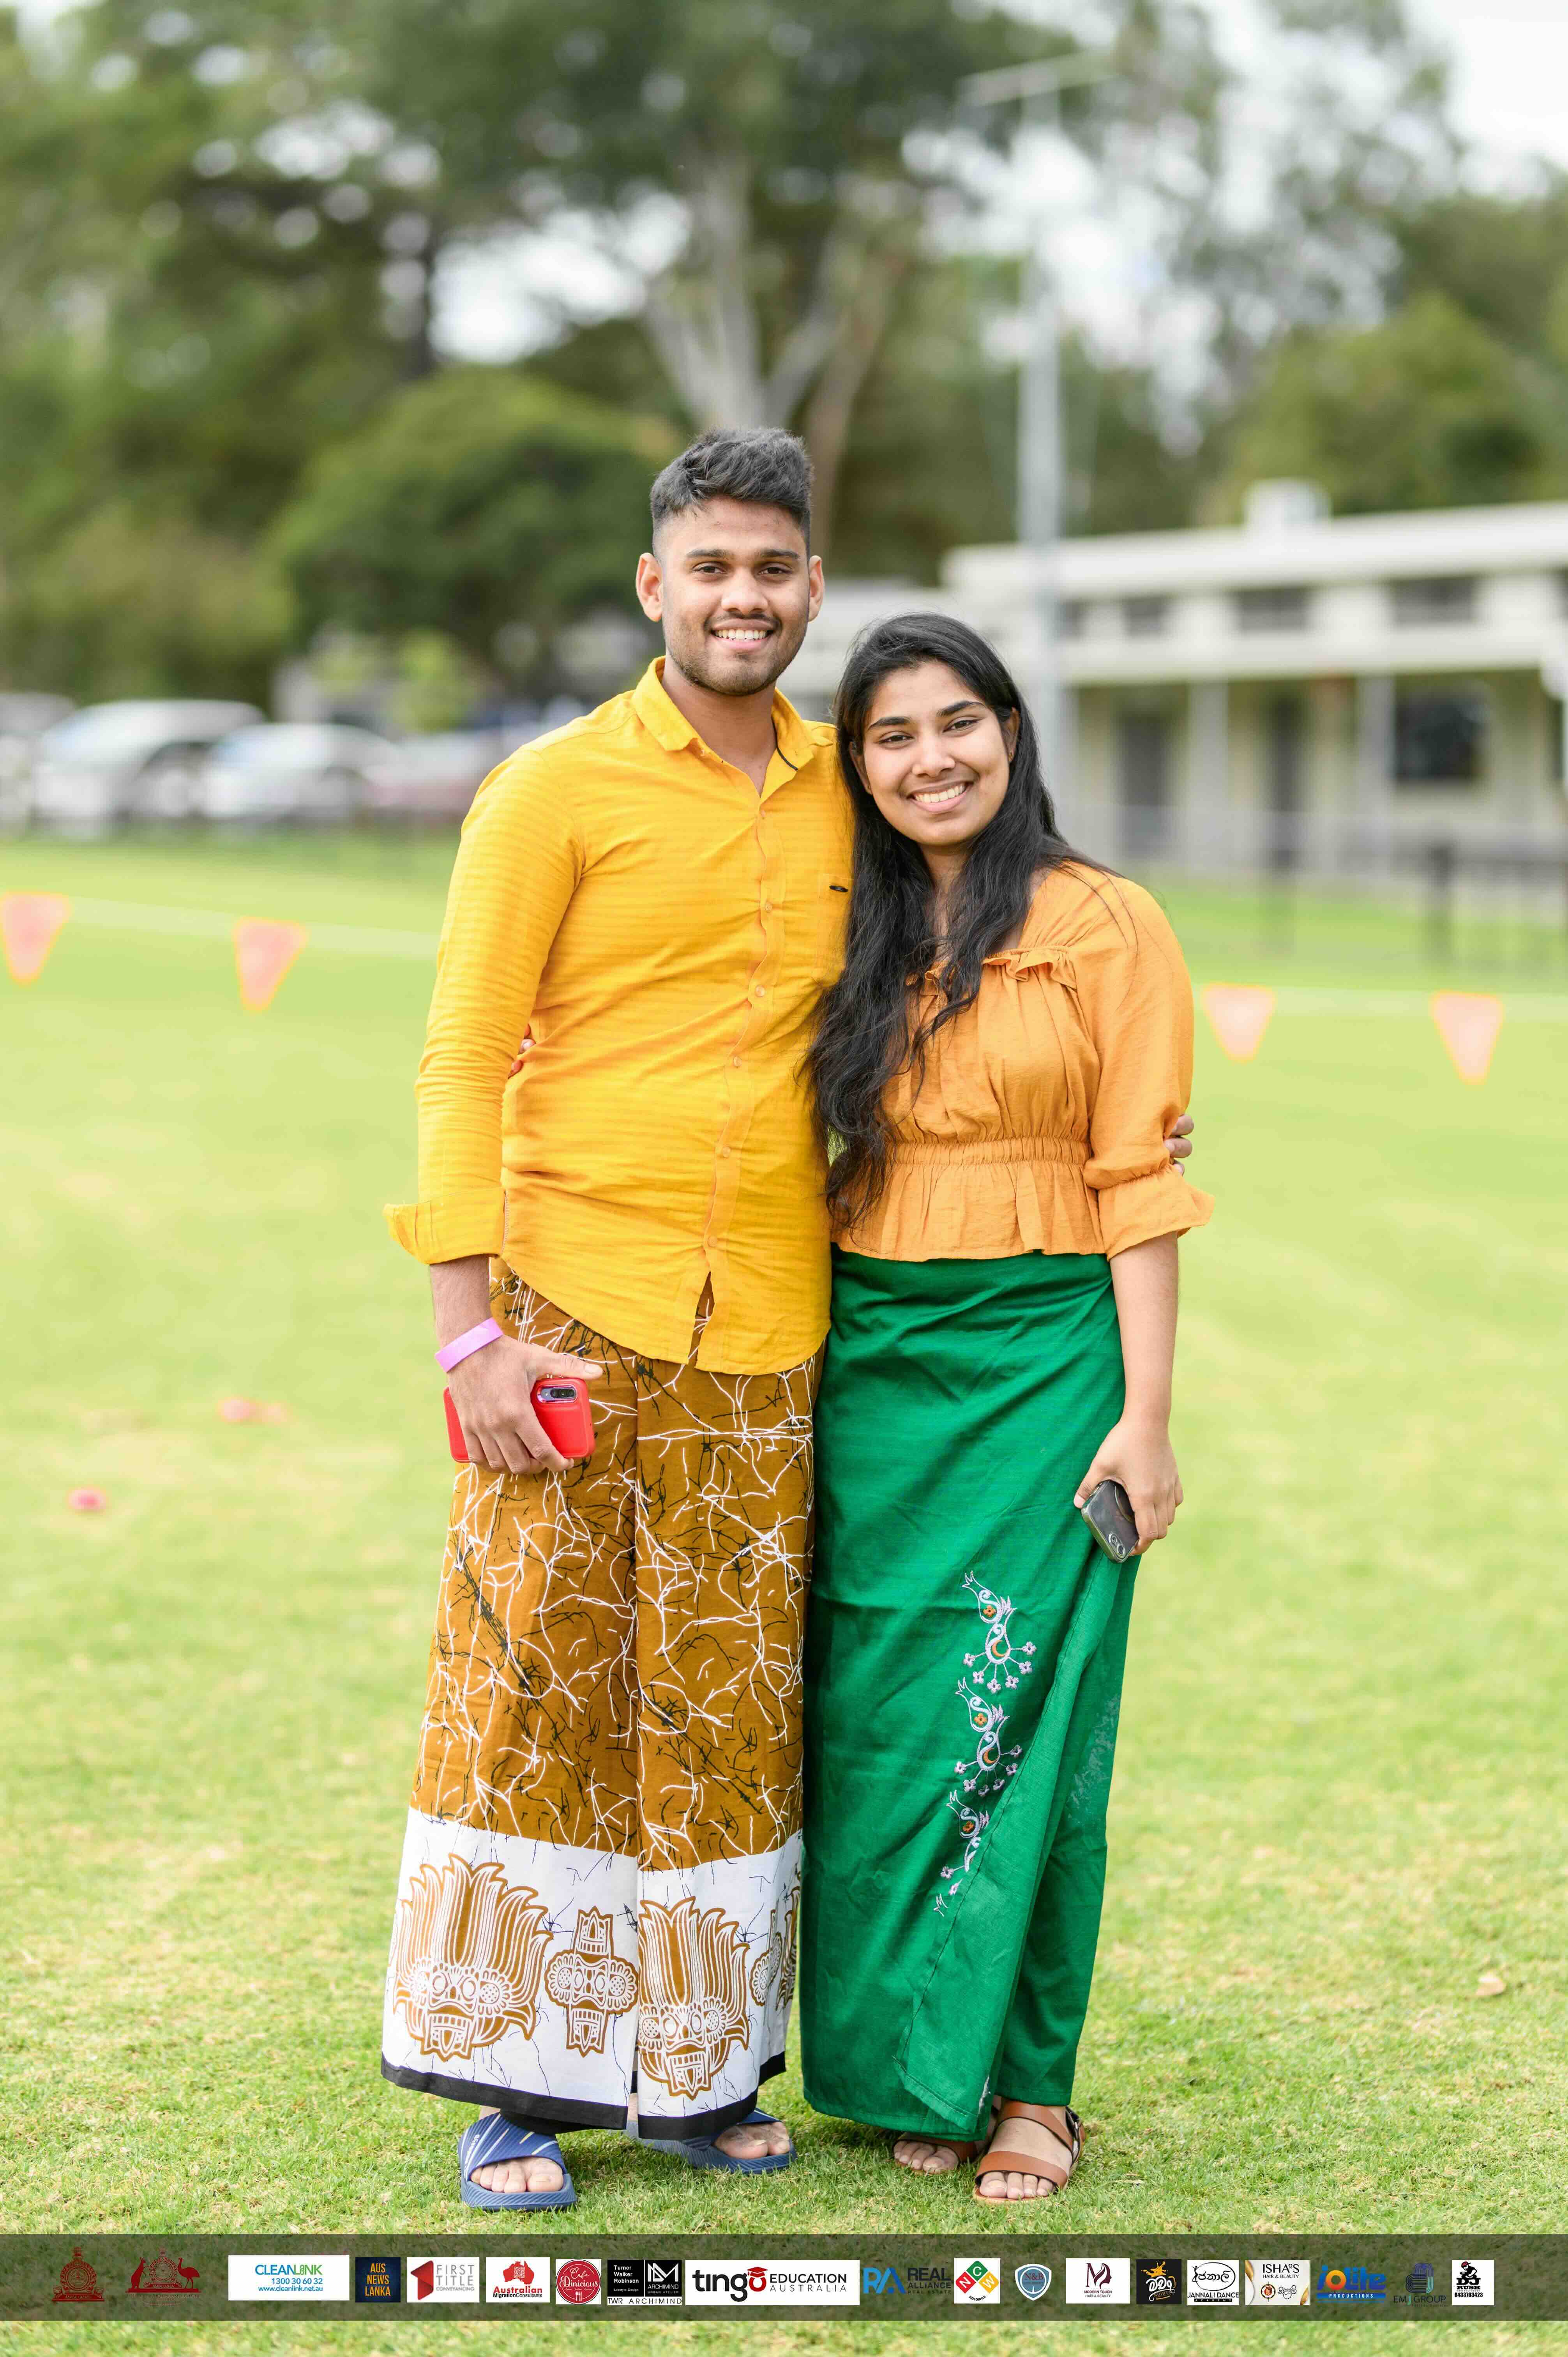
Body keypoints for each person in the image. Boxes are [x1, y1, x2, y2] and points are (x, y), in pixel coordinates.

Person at [380, 428, 1193, 2211]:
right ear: (655, 586)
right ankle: (515, 2085)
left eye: (774, 570)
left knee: (735, 1706)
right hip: (566, 1302)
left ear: (809, 591)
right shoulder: (550, 792)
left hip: (776, 1322)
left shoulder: (851, 791)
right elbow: (457, 1059)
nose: (742, 598)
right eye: (710, 568)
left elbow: (983, 968)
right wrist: (467, 1334)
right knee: (538, 1684)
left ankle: (699, 2073)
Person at [798, 614, 1212, 2202]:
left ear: (1013, 730)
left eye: (956, 722)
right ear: (860, 768)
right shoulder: (844, 929)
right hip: (873, 1367)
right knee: (888, 1728)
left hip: (1051, 1362)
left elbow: (1142, 1183)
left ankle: (1029, 2090)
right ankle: (921, 2063)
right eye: (890, 736)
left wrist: (1147, 1417)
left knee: (1030, 1719)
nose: (929, 759)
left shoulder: (1108, 925)